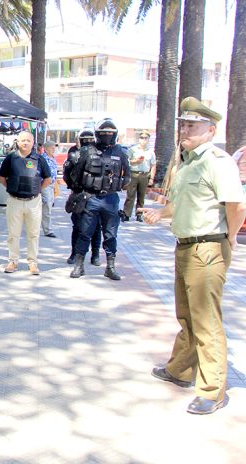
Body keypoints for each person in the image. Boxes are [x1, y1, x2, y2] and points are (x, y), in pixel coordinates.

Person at [141, 97, 246, 415]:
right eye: (183, 125)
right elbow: (179, 204)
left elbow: (236, 206)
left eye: (192, 126)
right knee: (186, 316)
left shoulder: (218, 161)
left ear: (210, 130)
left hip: (207, 249)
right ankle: (180, 370)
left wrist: (227, 239)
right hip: (185, 247)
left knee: (206, 321)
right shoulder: (184, 163)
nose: (184, 130)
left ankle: (213, 390)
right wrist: (161, 214)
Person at [69, 119, 130, 280]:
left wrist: (118, 185)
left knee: (110, 235)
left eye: (110, 133)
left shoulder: (120, 152)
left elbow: (127, 175)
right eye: (104, 133)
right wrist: (81, 191)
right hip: (91, 197)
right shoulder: (88, 151)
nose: (107, 136)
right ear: (97, 134)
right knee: (84, 232)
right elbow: (76, 173)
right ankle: (79, 265)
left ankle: (110, 267)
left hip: (111, 199)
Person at [0, 131, 51, 274]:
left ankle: (32, 262)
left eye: (28, 140)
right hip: (14, 201)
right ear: (18, 142)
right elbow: (1, 177)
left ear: (33, 143)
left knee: (33, 234)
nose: (25, 143)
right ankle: (13, 261)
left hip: (33, 202)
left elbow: (48, 179)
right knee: (13, 234)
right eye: (22, 140)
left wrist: (36, 190)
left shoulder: (39, 159)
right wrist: (12, 188)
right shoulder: (11, 158)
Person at [63, 129, 102, 265]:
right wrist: (74, 188)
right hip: (79, 194)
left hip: (95, 196)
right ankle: (74, 253)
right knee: (78, 226)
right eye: (85, 139)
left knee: (96, 227)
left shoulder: (99, 154)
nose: (88, 141)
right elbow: (67, 174)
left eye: (91, 139)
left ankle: (95, 254)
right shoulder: (74, 154)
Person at [121, 130, 156, 222]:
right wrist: (136, 161)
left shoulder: (151, 152)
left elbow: (153, 165)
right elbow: (126, 162)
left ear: (148, 139)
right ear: (139, 138)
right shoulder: (132, 150)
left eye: (146, 138)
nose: (143, 140)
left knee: (141, 196)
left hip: (144, 175)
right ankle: (126, 214)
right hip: (133, 174)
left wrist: (151, 178)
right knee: (130, 195)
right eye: (142, 138)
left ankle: (139, 214)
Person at [41, 141, 59, 237]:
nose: (54, 150)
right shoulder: (43, 158)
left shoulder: (52, 158)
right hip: (45, 185)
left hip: (51, 185)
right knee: (47, 206)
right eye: (52, 148)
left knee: (49, 205)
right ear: (46, 149)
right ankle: (48, 230)